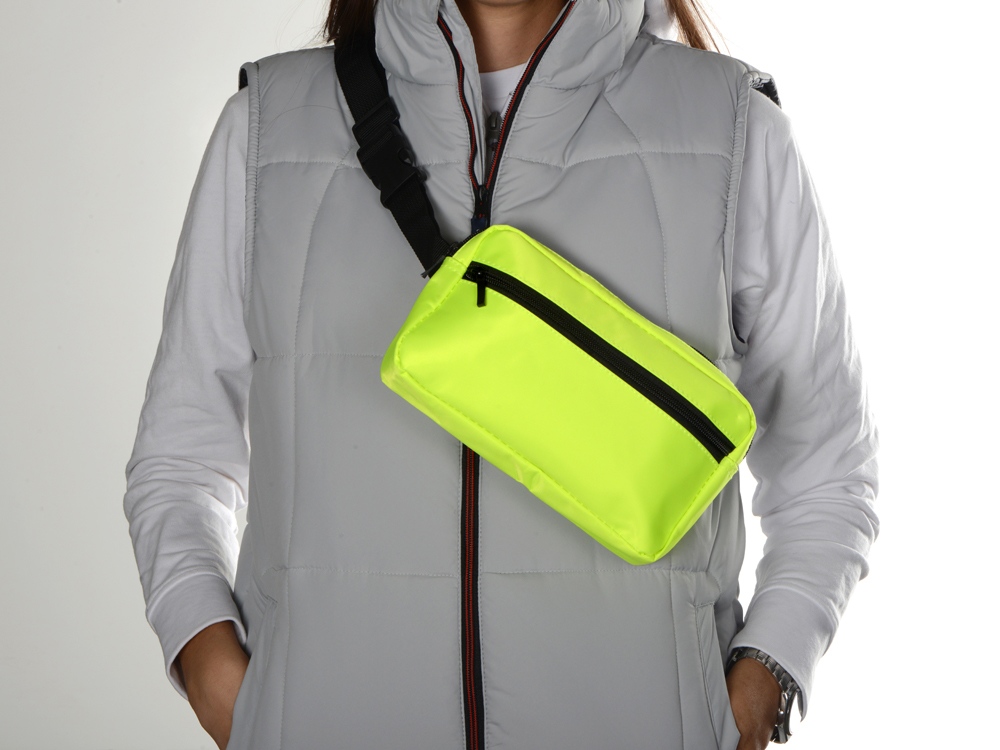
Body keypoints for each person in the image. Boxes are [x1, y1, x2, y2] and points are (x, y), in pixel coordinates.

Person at [123, 1, 880, 748]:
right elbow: (181, 456)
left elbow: (829, 469)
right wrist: (216, 671)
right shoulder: (266, 131)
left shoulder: (735, 129)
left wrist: (762, 682)